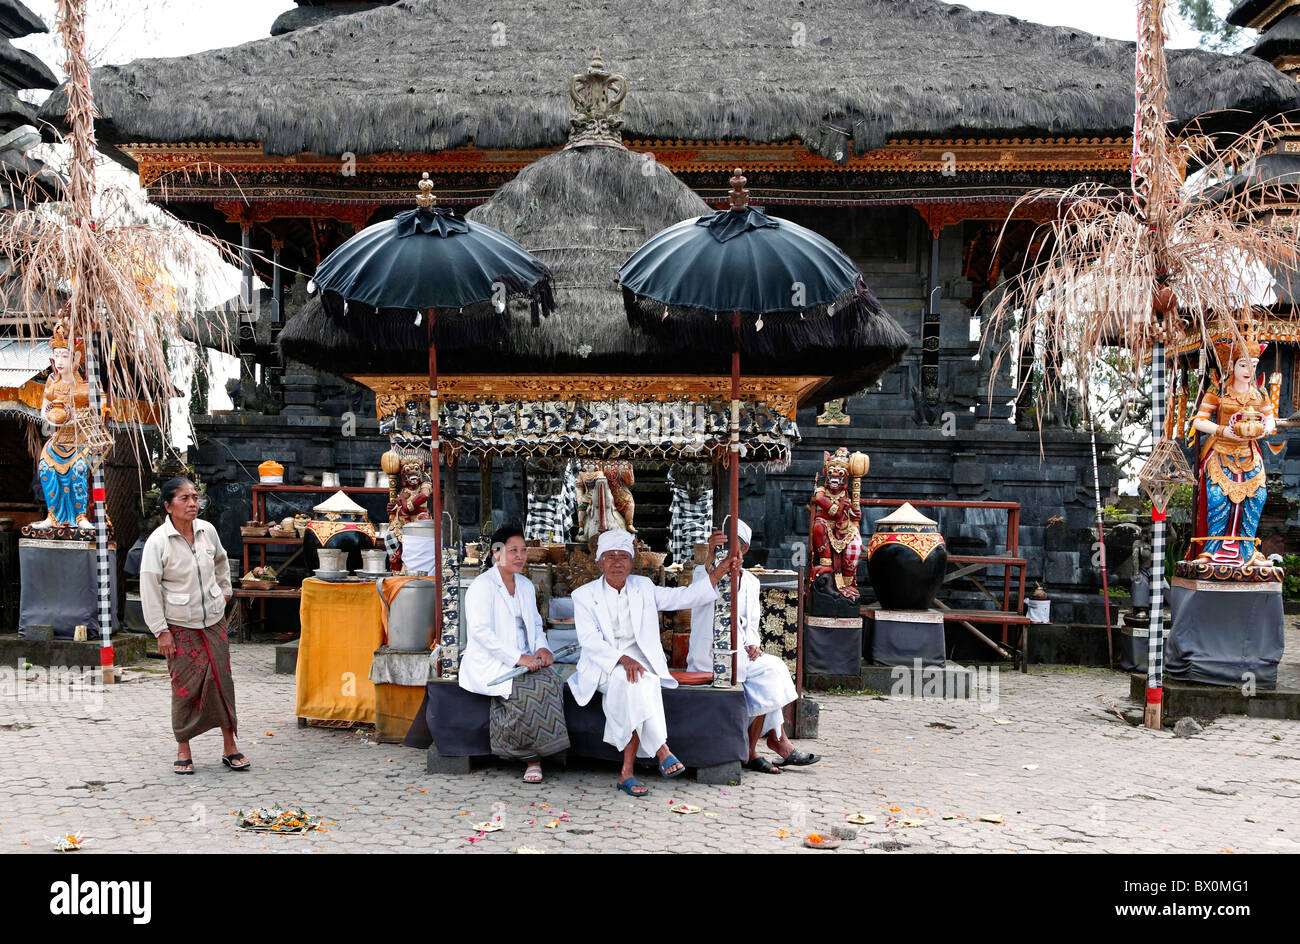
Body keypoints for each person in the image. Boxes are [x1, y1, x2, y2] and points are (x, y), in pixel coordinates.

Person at [569, 528, 739, 797]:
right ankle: (662, 750)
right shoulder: (583, 595)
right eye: (610, 557)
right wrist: (621, 659)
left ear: (632, 562)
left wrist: (718, 574)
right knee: (635, 681)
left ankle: (627, 772)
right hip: (602, 666)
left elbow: (683, 597)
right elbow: (590, 641)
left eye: (623, 556)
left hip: (641, 666)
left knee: (637, 684)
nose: (617, 562)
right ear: (599, 562)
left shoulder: (643, 587)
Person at [688, 522, 819, 774]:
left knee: (773, 670)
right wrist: (709, 561)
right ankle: (772, 744)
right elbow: (701, 591)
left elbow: (751, 623)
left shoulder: (750, 581)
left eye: (731, 542)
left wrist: (754, 645)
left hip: (741, 656)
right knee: (759, 676)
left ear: (744, 548)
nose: (725, 547)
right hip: (711, 657)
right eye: (721, 542)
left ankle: (768, 742)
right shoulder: (702, 573)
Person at [139, 477, 246, 774]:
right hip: (179, 625)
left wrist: (224, 592)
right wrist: (160, 631)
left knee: (221, 680)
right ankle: (183, 747)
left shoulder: (207, 531)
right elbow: (148, 587)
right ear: (168, 506)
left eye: (195, 498)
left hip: (213, 620)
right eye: (184, 498)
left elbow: (222, 563)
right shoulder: (159, 541)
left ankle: (230, 746)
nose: (192, 503)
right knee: (185, 686)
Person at [459, 525, 570, 782]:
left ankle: (553, 752)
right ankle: (531, 759)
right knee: (527, 691)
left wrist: (542, 648)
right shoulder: (482, 586)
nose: (520, 556)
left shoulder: (526, 585)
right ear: (496, 553)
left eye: (523, 550)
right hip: (492, 662)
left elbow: (534, 625)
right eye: (513, 551)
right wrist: (518, 658)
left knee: (551, 681)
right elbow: (480, 633)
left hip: (525, 658)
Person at [1188, 325, 1275, 569]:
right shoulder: (1218, 389)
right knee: (1218, 498)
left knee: (1257, 497)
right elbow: (1199, 420)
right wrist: (1221, 430)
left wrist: (1265, 428)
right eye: (1244, 365)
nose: (1249, 371)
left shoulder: (1259, 394)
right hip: (1221, 452)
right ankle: (1212, 548)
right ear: (1233, 365)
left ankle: (1247, 548)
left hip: (1249, 453)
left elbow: (1269, 418)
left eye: (1254, 365)